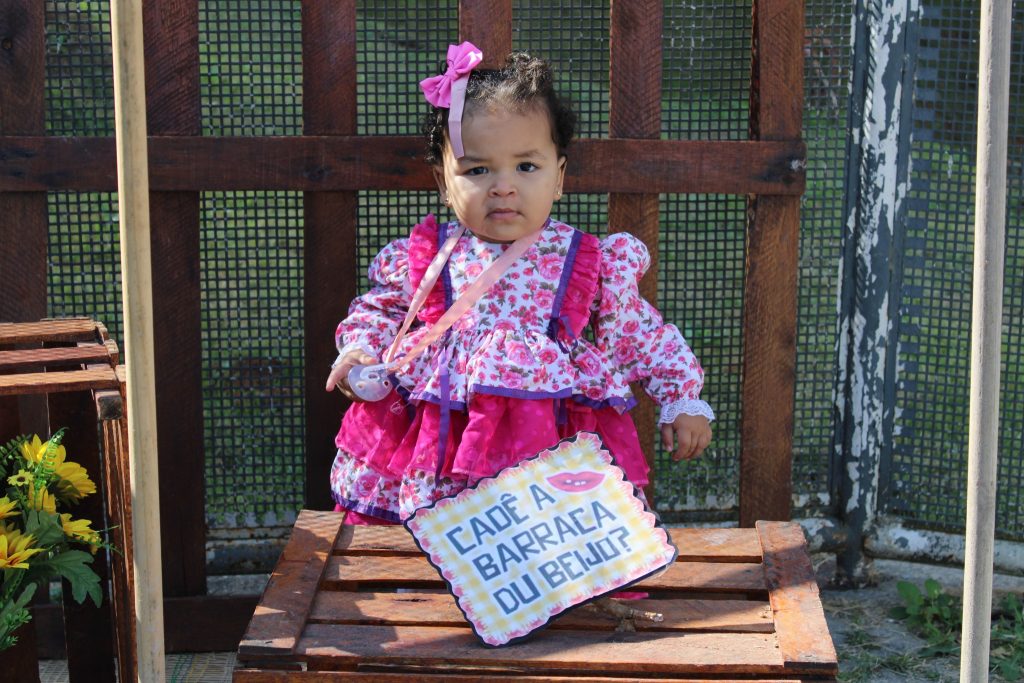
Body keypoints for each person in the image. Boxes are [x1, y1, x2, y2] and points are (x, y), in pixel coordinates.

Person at [325, 43, 714, 525]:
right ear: (444, 182)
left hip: (548, 438)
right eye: (477, 169)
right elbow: (382, 310)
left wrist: (681, 397)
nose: (503, 186)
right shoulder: (426, 257)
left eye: (526, 166)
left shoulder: (587, 261)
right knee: (440, 532)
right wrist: (359, 351)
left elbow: (640, 333)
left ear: (559, 177)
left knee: (549, 533)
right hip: (443, 441)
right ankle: (431, 566)